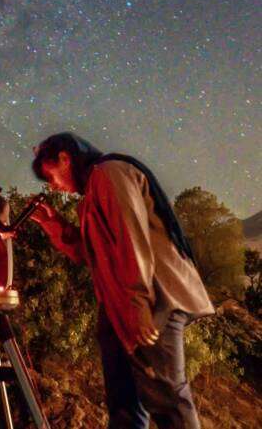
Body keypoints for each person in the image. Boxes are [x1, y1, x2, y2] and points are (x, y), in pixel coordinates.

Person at [25, 132, 214, 429]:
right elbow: (93, 254)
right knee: (124, 404)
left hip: (154, 300)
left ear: (65, 158)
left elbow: (130, 238)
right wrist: (54, 225)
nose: (53, 186)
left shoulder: (109, 173)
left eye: (50, 176)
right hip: (119, 309)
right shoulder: (92, 193)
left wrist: (139, 303)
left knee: (167, 401)